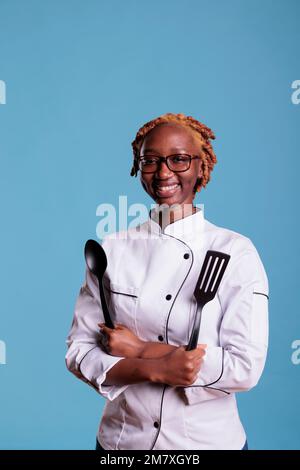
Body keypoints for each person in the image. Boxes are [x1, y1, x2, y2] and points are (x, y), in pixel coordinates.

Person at [65, 112, 269, 450]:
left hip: (207, 444)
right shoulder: (111, 250)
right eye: (151, 161)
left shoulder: (235, 252)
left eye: (179, 159)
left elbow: (244, 367)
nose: (163, 172)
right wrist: (155, 369)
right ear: (138, 166)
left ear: (201, 167)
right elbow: (79, 352)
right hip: (122, 442)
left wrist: (142, 350)